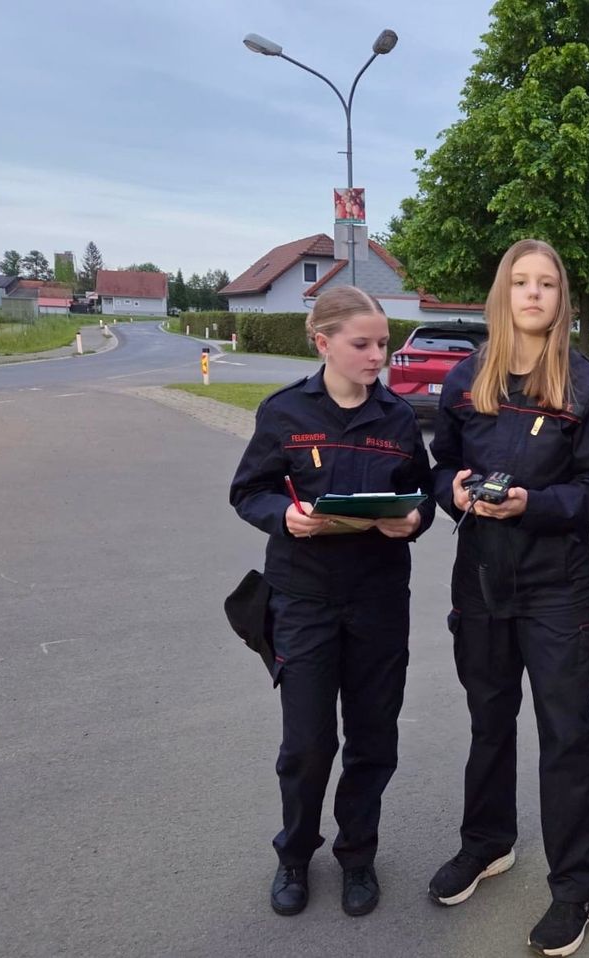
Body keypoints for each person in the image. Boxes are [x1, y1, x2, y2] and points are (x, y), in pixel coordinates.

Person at [428, 239, 589, 957]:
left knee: (565, 733)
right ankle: (487, 842)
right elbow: (441, 461)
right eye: (521, 281)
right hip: (480, 578)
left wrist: (533, 504)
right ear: (502, 294)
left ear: (560, 298)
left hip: (556, 585)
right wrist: (447, 490)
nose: (534, 294)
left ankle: (577, 884)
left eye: (546, 283)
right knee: (489, 719)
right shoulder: (464, 380)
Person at [229, 286, 435, 919]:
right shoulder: (286, 412)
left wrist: (417, 519)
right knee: (309, 743)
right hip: (304, 600)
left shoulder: (398, 419)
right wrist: (284, 516)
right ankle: (294, 854)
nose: (379, 356)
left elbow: (422, 493)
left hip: (377, 602)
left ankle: (357, 856)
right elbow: (249, 491)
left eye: (383, 344)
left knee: (374, 738)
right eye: (363, 344)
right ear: (323, 343)